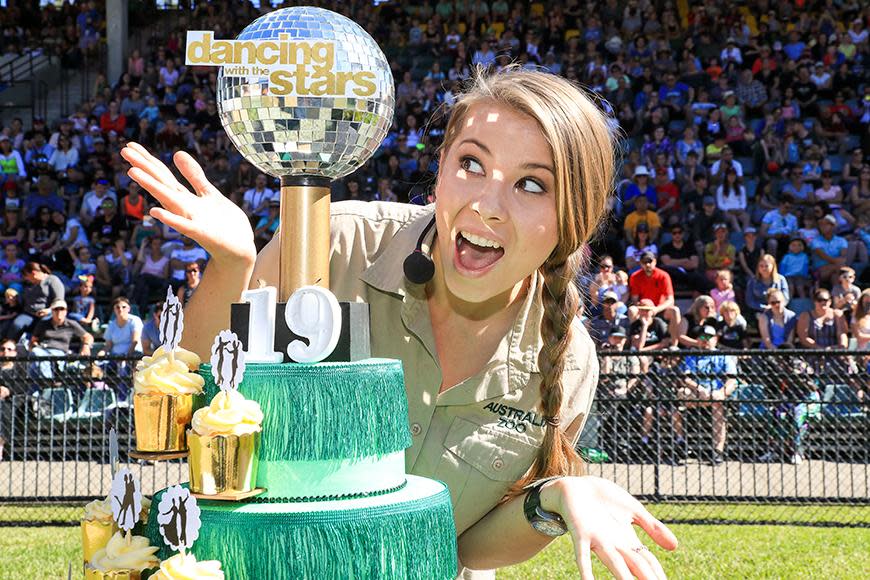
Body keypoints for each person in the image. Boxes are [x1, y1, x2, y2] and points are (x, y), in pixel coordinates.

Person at [122, 69, 677, 577]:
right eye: (471, 164)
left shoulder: (570, 359)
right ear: (439, 171)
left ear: (575, 219)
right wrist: (230, 268)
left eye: (531, 185)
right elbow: (192, 410)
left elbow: (466, 545)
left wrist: (553, 500)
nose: (486, 205)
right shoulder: (331, 246)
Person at [673, 325, 738, 466]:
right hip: (697, 394)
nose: (705, 340)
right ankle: (681, 443)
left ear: (715, 339)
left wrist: (722, 392)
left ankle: (717, 451)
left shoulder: (724, 356)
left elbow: (732, 380)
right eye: (702, 337)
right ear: (697, 340)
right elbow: (686, 378)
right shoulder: (692, 356)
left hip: (716, 395)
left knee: (718, 404)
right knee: (681, 393)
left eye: (709, 337)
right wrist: (699, 389)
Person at [29, 299, 93, 379]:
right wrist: (34, 344)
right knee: (36, 355)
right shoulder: (43, 324)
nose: (59, 312)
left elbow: (88, 337)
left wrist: (86, 346)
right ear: (52, 311)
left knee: (36, 362)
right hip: (43, 350)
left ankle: (45, 383)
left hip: (59, 353)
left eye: (62, 309)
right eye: (56, 309)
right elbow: (33, 339)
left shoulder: (71, 324)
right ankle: (48, 382)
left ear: (66, 311)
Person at [628, 252, 680, 344]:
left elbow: (670, 300)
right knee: (632, 310)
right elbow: (635, 299)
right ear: (640, 263)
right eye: (644, 262)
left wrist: (656, 309)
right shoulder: (635, 276)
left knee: (675, 310)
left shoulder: (663, 276)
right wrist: (643, 309)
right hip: (644, 309)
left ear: (655, 262)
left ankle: (674, 344)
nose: (647, 264)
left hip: (660, 309)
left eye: (650, 261)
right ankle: (635, 343)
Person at [4, 262, 65, 341]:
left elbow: (59, 300)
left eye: (26, 276)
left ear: (33, 273)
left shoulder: (52, 280)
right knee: (17, 325)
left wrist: (49, 310)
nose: (26, 278)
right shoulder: (28, 284)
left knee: (43, 325)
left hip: (48, 313)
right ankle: (9, 346)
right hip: (28, 313)